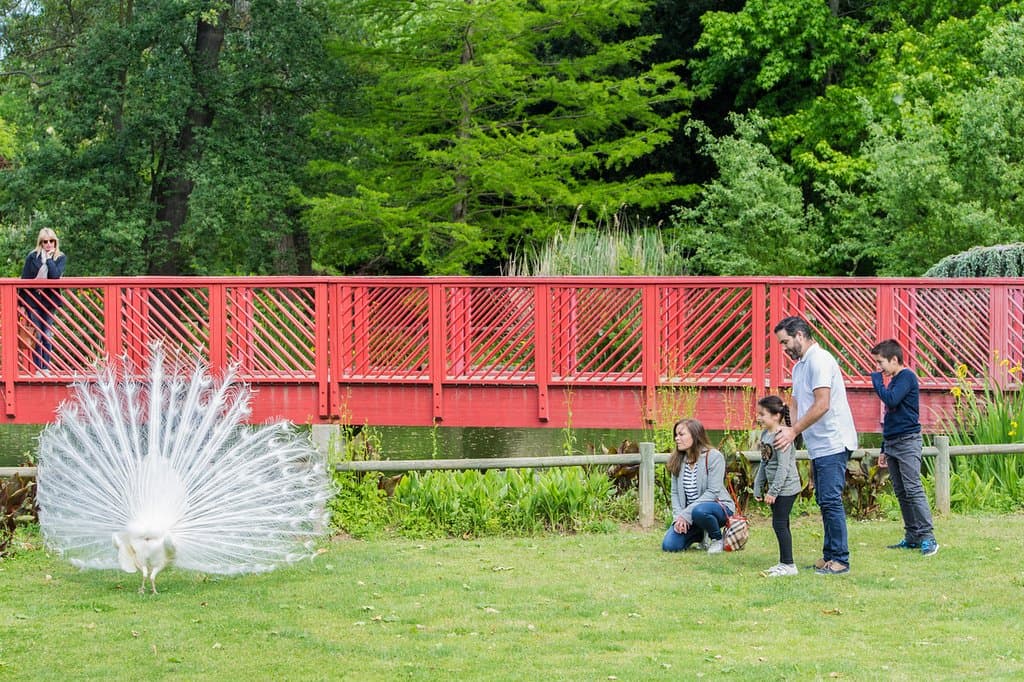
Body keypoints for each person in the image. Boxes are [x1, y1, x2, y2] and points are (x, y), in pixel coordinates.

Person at [773, 316, 858, 575]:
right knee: (824, 499)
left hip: (833, 440)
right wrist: (787, 432)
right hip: (817, 445)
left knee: (831, 500)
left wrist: (794, 431)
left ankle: (840, 560)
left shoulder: (820, 360)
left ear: (800, 334)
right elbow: (797, 405)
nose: (784, 348)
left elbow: (822, 404)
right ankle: (828, 555)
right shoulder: (799, 367)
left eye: (786, 341)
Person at [870, 339, 939, 557]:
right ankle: (912, 536)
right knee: (901, 492)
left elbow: (891, 401)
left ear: (894, 359)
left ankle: (928, 537)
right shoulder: (895, 379)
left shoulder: (906, 377)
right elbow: (890, 417)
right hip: (892, 442)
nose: (878, 368)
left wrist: (877, 382)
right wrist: (883, 448)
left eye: (881, 362)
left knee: (913, 489)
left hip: (908, 441)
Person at [662, 418, 735, 554]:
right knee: (670, 546)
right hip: (689, 515)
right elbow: (675, 493)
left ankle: (717, 539)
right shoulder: (677, 460)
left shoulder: (714, 457)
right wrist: (678, 518)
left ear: (695, 435)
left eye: (681, 434)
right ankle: (699, 535)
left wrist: (686, 514)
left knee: (700, 511)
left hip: (716, 508)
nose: (677, 439)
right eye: (676, 435)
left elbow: (713, 492)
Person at [753, 395, 802, 577]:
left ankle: (789, 565)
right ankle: (784, 562)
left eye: (762, 414)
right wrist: (758, 486)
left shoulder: (783, 436)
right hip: (777, 487)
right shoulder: (766, 435)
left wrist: (773, 492)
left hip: (786, 488)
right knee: (782, 524)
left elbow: (783, 467)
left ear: (776, 416)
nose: (758, 417)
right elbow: (765, 462)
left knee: (779, 524)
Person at [19, 228, 66, 371]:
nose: (48, 244)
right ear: (41, 243)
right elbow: (24, 280)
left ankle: (46, 368)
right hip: (33, 300)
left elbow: (55, 276)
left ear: (55, 242)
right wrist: (20, 303)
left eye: (51, 241)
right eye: (45, 241)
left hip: (50, 300)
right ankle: (38, 368)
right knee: (37, 334)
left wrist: (49, 260)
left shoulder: (60, 257)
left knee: (47, 333)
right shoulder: (32, 257)